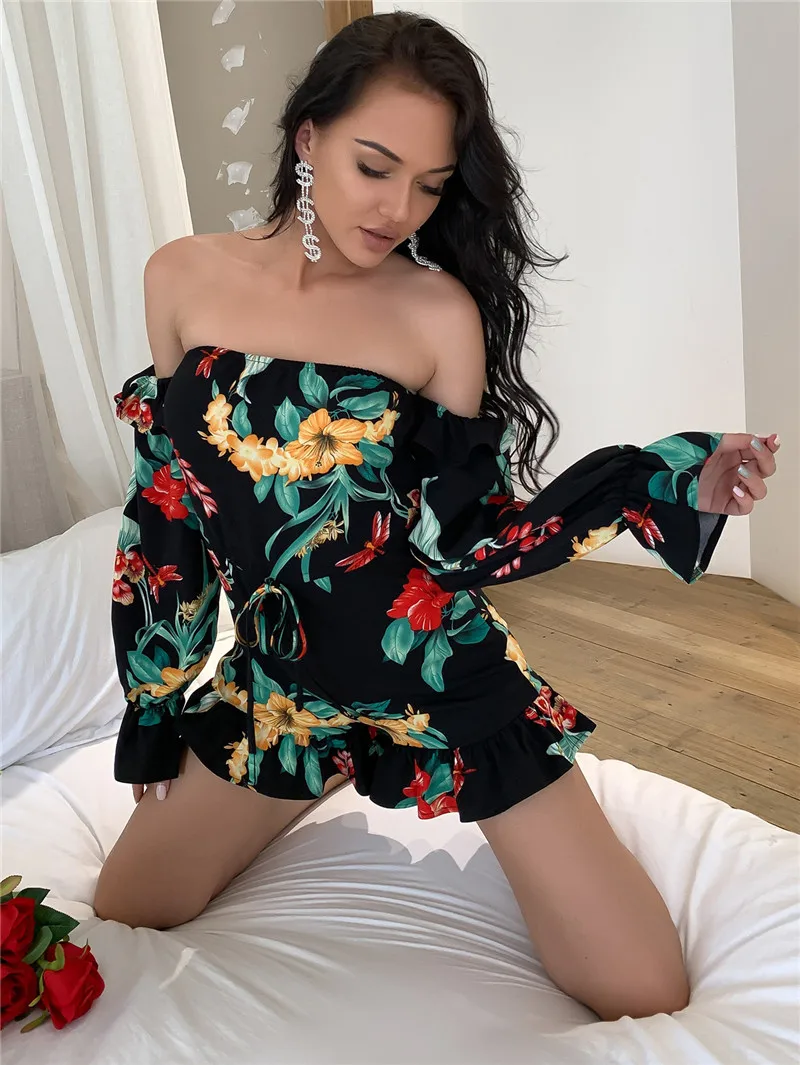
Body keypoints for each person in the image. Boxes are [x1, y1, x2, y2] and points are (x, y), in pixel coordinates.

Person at [94, 12, 780, 1023]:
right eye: (375, 166)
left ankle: (380, 751)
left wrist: (660, 483)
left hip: (436, 674)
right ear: (307, 136)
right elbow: (167, 511)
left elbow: (467, 540)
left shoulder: (437, 314)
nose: (398, 208)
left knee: (640, 986)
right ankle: (326, 765)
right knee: (128, 904)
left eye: (429, 184)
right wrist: (155, 704)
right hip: (280, 687)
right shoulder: (181, 276)